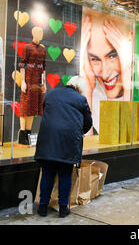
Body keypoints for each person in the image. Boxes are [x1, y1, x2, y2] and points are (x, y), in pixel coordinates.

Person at [35, 76, 93, 218]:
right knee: (65, 174)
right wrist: (79, 132)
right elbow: (88, 123)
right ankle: (63, 209)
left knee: (47, 172)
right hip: (68, 141)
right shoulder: (81, 99)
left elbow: (46, 111)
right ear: (80, 88)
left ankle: (43, 207)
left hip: (48, 139)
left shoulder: (51, 94)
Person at [81, 12, 132, 135]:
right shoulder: (93, 96)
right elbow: (87, 146)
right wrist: (87, 91)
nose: (104, 73)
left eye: (112, 55)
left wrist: (128, 82)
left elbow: (126, 136)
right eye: (94, 59)